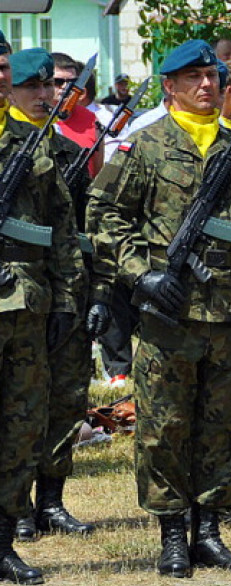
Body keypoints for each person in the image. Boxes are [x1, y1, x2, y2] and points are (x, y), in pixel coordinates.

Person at [87, 39, 231, 577]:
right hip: (168, 317)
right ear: (169, 87)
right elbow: (103, 217)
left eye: (213, 77)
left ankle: (210, 530)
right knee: (164, 428)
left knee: (225, 427)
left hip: (229, 315)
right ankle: (173, 533)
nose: (207, 86)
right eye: (193, 78)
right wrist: (141, 274)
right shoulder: (144, 147)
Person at [6, 48, 104, 542]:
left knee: (63, 399)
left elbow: (80, 230)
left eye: (51, 86)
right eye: (34, 87)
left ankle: (50, 500)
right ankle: (15, 507)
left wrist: (84, 296)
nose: (46, 95)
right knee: (17, 408)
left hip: (54, 293)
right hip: (16, 296)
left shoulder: (65, 151)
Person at [0, 32, 85, 584]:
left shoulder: (35, 149)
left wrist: (68, 303)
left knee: (20, 426)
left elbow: (61, 233)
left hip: (27, 306)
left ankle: (3, 539)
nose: (33, 91)